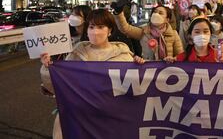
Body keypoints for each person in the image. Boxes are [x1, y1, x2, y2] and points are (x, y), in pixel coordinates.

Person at [40, 9, 145, 139]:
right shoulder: (76, 53)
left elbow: (136, 89)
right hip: (82, 116)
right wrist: (47, 68)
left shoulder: (123, 55)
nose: (95, 31)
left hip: (111, 119)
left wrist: (140, 67)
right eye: (91, 27)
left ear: (110, 30)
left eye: (101, 27)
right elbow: (59, 85)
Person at [111, 0, 183, 61]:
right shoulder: (144, 32)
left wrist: (174, 59)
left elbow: (181, 56)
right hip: (148, 72)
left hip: (166, 72)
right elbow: (126, 29)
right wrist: (119, 12)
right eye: (155, 12)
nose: (156, 14)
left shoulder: (174, 34)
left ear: (167, 19)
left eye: (160, 13)